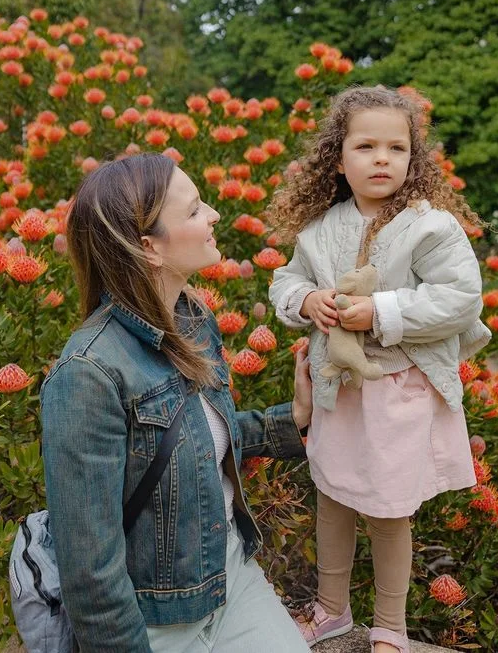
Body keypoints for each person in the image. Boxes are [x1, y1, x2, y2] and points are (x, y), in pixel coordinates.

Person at [41, 153, 313, 653]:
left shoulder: (191, 318)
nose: (212, 215)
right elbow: (90, 569)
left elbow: (196, 439)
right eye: (192, 211)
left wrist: (292, 420)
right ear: (148, 247)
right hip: (153, 620)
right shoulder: (88, 373)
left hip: (229, 578)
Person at [267, 86, 491, 653]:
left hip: (398, 391)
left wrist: (382, 311)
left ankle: (391, 626)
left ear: (413, 159)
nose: (382, 158)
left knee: (390, 513)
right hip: (338, 393)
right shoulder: (321, 226)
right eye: (365, 146)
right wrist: (305, 301)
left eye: (397, 147)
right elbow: (286, 279)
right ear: (338, 159)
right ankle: (332, 611)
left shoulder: (429, 226)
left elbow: (459, 298)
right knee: (333, 498)